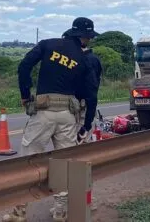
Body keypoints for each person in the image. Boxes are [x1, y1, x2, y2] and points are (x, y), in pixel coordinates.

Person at [10, 17, 100, 222]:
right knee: (63, 164)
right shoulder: (85, 59)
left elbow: (24, 66)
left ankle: (19, 211)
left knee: (28, 161)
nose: (89, 41)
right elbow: (91, 95)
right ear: (83, 37)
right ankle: (61, 212)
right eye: (88, 37)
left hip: (43, 112)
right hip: (68, 115)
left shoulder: (47, 44)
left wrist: (25, 94)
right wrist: (86, 125)